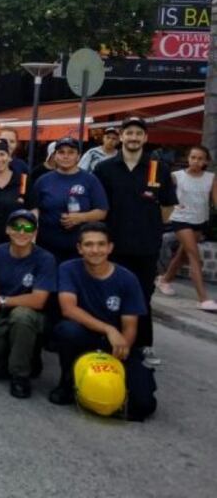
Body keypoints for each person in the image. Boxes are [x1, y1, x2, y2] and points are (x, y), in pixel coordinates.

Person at [47, 223, 157, 422]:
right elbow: (68, 308)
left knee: (143, 405)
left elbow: (130, 325)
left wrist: (121, 349)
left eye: (101, 244)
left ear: (110, 248)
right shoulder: (68, 269)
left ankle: (108, 394)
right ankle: (68, 382)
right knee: (66, 330)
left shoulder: (128, 279)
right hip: (86, 335)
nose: (95, 250)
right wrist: (108, 329)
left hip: (116, 343)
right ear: (79, 248)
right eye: (88, 245)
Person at [94, 117, 176, 367]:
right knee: (109, 294)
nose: (133, 137)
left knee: (141, 296)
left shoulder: (158, 168)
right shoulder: (105, 169)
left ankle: (142, 345)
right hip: (113, 245)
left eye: (138, 133)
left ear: (145, 138)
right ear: (121, 136)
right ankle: (104, 339)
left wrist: (149, 226)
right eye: (129, 133)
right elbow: (100, 207)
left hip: (145, 247)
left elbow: (167, 206)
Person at [0, 210, 56, 399]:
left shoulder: (45, 259)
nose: (21, 232)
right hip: (4, 312)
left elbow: (39, 300)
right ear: (8, 230)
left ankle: (20, 375)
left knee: (21, 315)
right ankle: (21, 356)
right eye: (16, 227)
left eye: (28, 227)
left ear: (34, 232)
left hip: (31, 316)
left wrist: (0, 301)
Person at [28, 137, 107, 264]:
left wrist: (81, 217)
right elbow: (33, 210)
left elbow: (102, 211)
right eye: (61, 152)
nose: (66, 156)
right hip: (47, 247)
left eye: (71, 152)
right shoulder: (43, 180)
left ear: (78, 156)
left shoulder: (90, 180)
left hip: (79, 249)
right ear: (55, 156)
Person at [157, 145, 217, 311]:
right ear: (188, 158)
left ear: (206, 161)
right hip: (181, 219)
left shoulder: (211, 178)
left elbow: (215, 200)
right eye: (193, 158)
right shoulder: (177, 176)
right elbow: (162, 191)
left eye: (200, 158)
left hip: (200, 220)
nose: (196, 161)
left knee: (183, 254)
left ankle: (165, 279)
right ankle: (203, 299)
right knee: (194, 256)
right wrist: (170, 205)